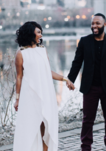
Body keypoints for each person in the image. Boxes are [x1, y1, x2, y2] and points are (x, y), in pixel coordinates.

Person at [13, 21, 75, 151]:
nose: (41, 35)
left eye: (41, 32)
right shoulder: (21, 53)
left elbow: (48, 71)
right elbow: (19, 77)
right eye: (38, 32)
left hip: (46, 92)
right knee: (31, 124)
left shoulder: (43, 50)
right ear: (31, 34)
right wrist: (17, 98)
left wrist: (65, 79)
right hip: (29, 94)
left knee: (47, 124)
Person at [67, 13, 106, 151]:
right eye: (92, 23)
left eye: (97, 23)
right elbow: (77, 62)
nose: (94, 26)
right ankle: (85, 147)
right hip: (89, 87)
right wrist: (70, 79)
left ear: (104, 24)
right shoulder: (84, 41)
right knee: (87, 120)